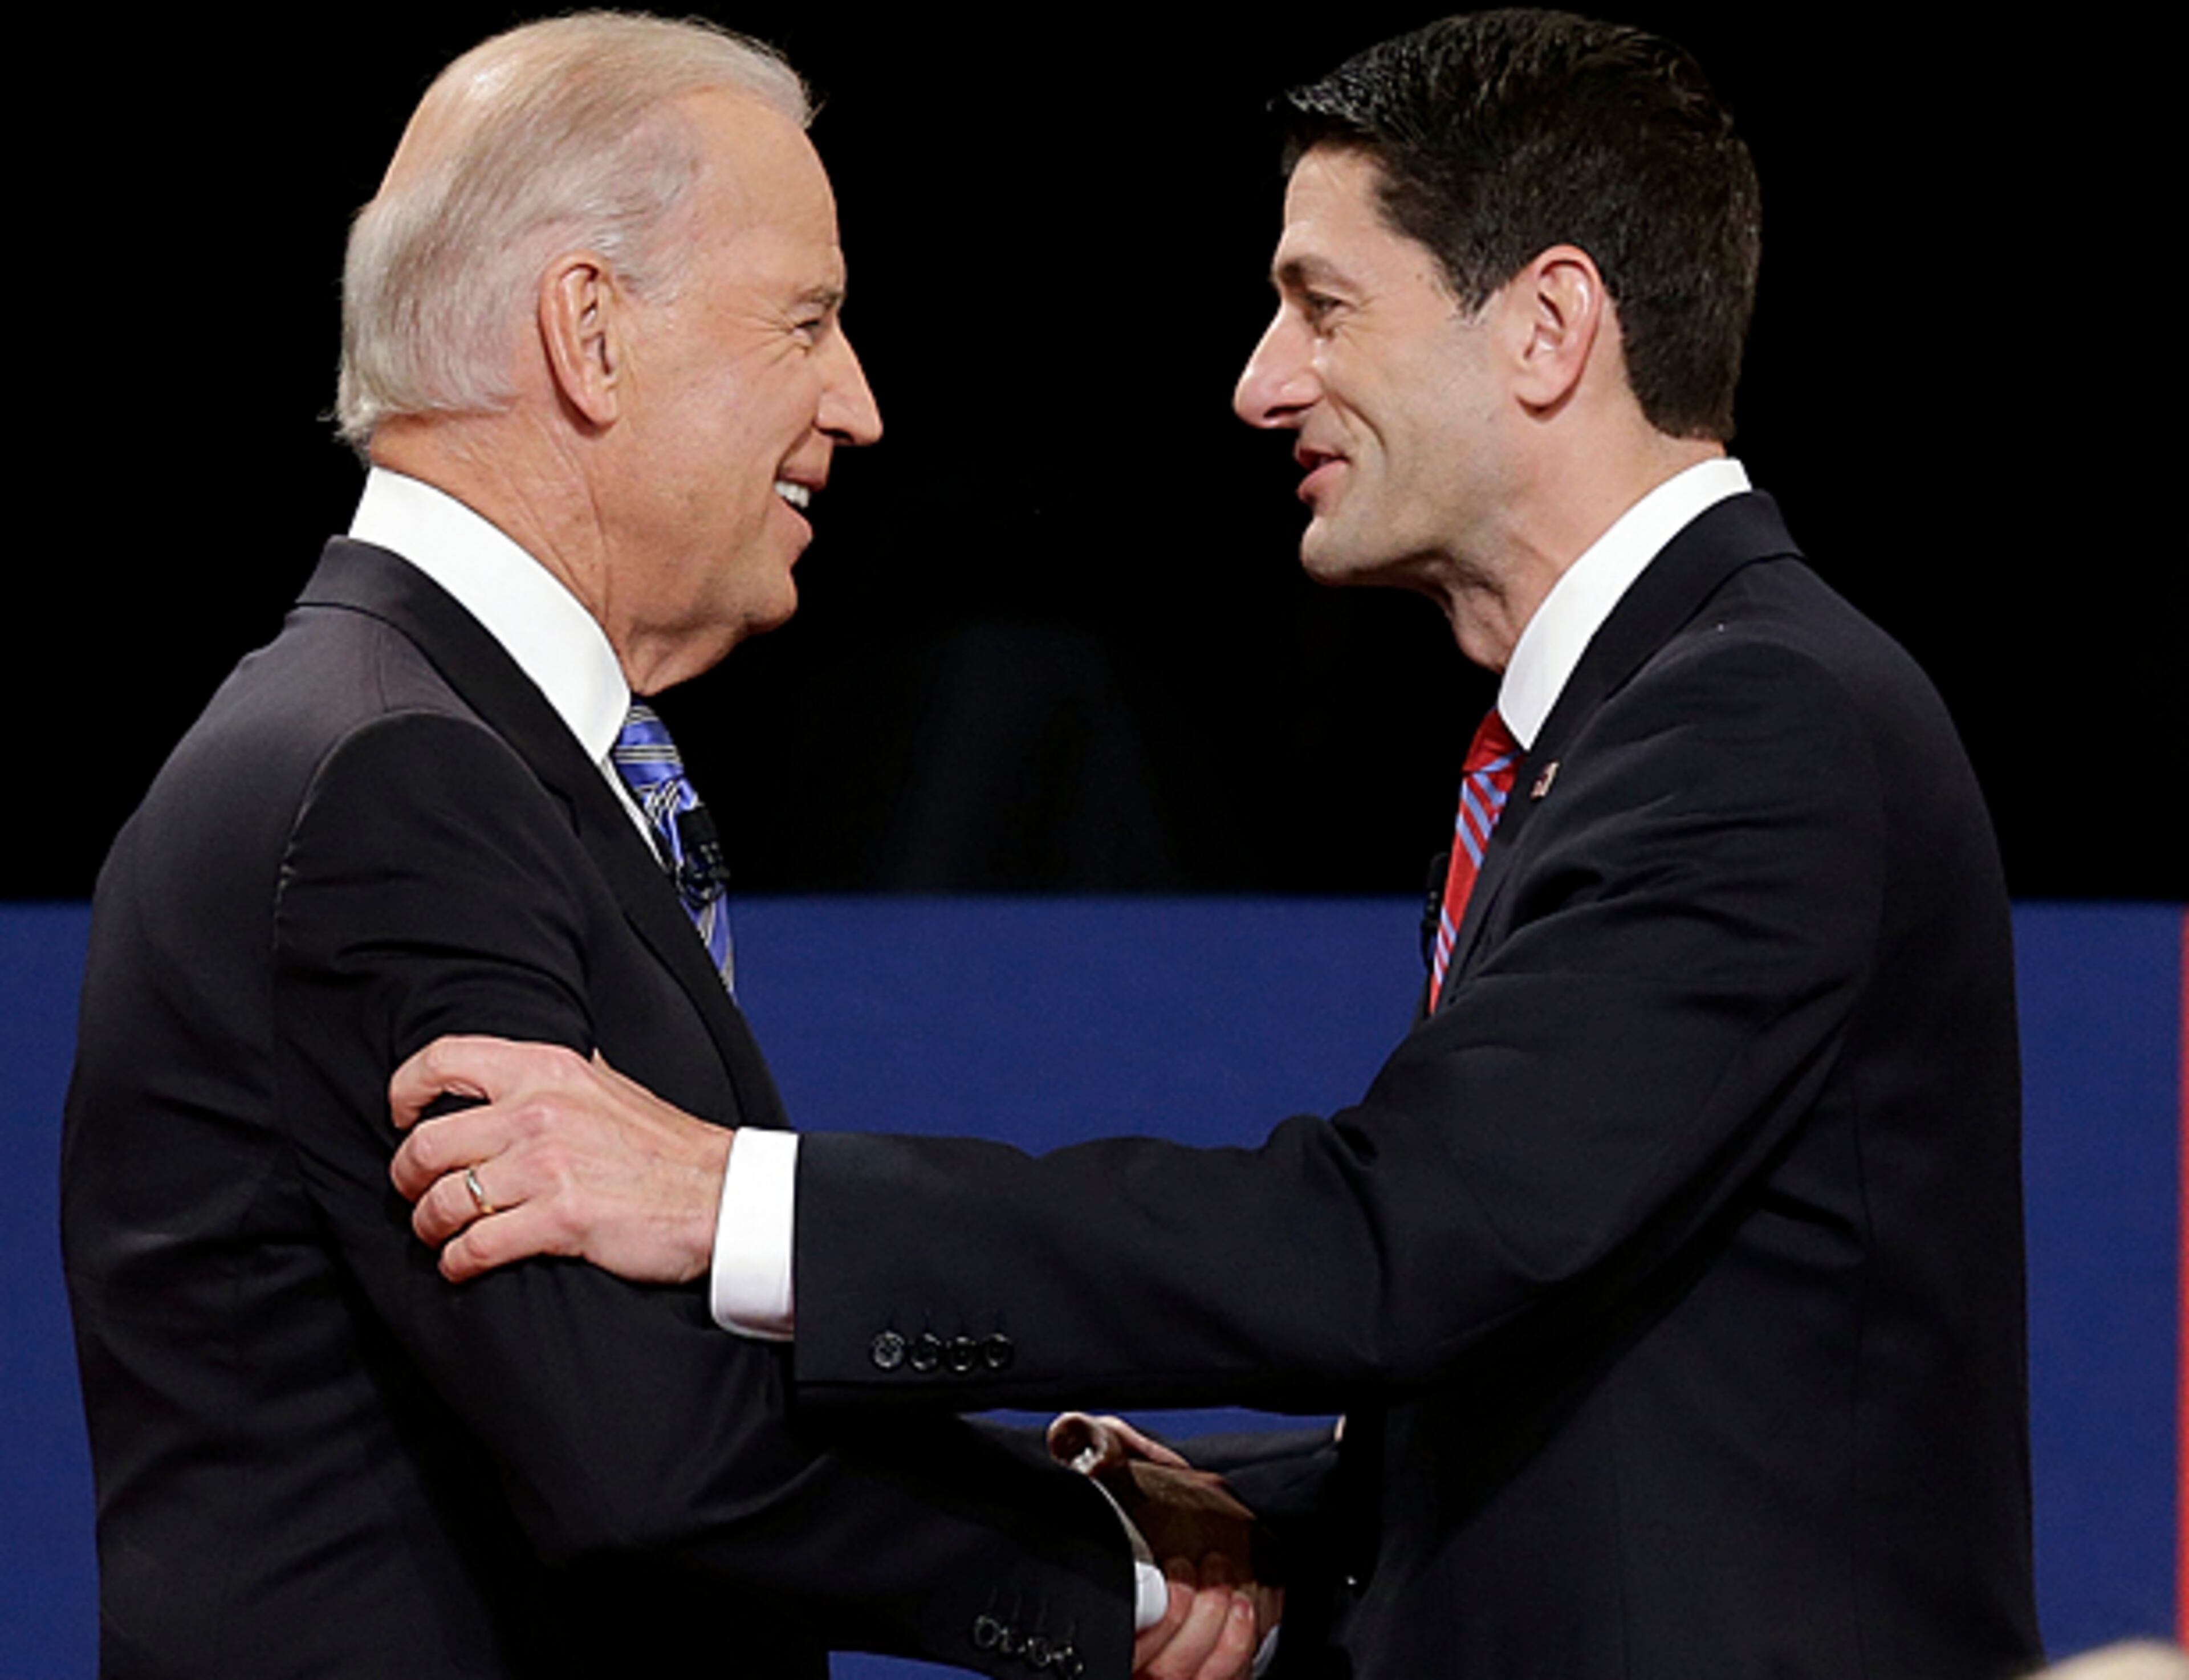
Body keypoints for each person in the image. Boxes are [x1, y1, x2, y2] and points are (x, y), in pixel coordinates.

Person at [390, 11, 2044, 1677]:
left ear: (1549, 325)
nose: (1262, 383)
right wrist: (1246, 1514)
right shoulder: (1628, 730)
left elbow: (1405, 1243)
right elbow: (1565, 1348)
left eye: (1324, 306)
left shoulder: (1761, 724)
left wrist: (739, 1198)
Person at [60, 14, 1264, 1679]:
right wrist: (1116, 1589)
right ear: (592, 334)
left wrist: (1095, 1504)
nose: (860, 401)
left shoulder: (419, 733)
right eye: (808, 319)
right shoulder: (394, 784)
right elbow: (641, 1446)